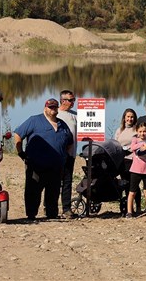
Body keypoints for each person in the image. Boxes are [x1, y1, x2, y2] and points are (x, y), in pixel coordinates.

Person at [14, 98, 73, 220]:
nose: (53, 109)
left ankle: (51, 213)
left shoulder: (63, 125)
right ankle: (31, 214)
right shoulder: (34, 120)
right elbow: (18, 135)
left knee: (54, 191)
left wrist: (64, 155)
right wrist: (20, 152)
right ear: (45, 108)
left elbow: (69, 142)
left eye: (55, 107)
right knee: (33, 190)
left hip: (56, 166)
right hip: (36, 164)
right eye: (50, 107)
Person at [126, 123, 146, 219]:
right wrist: (143, 144)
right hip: (135, 170)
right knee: (132, 192)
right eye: (140, 131)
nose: (142, 133)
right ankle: (129, 211)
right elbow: (132, 148)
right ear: (137, 132)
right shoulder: (135, 140)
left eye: (144, 131)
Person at [114, 108, 140, 213]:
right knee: (125, 184)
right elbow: (115, 144)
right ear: (124, 118)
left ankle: (138, 206)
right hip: (122, 161)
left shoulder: (136, 130)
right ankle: (129, 207)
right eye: (128, 117)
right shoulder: (119, 130)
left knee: (134, 184)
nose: (130, 119)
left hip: (133, 160)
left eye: (132, 117)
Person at [57, 90, 77, 219]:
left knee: (68, 182)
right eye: (70, 100)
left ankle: (66, 208)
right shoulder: (56, 114)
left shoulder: (75, 115)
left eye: (73, 100)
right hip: (58, 154)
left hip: (71, 154)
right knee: (54, 182)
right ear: (63, 100)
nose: (73, 102)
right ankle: (50, 207)